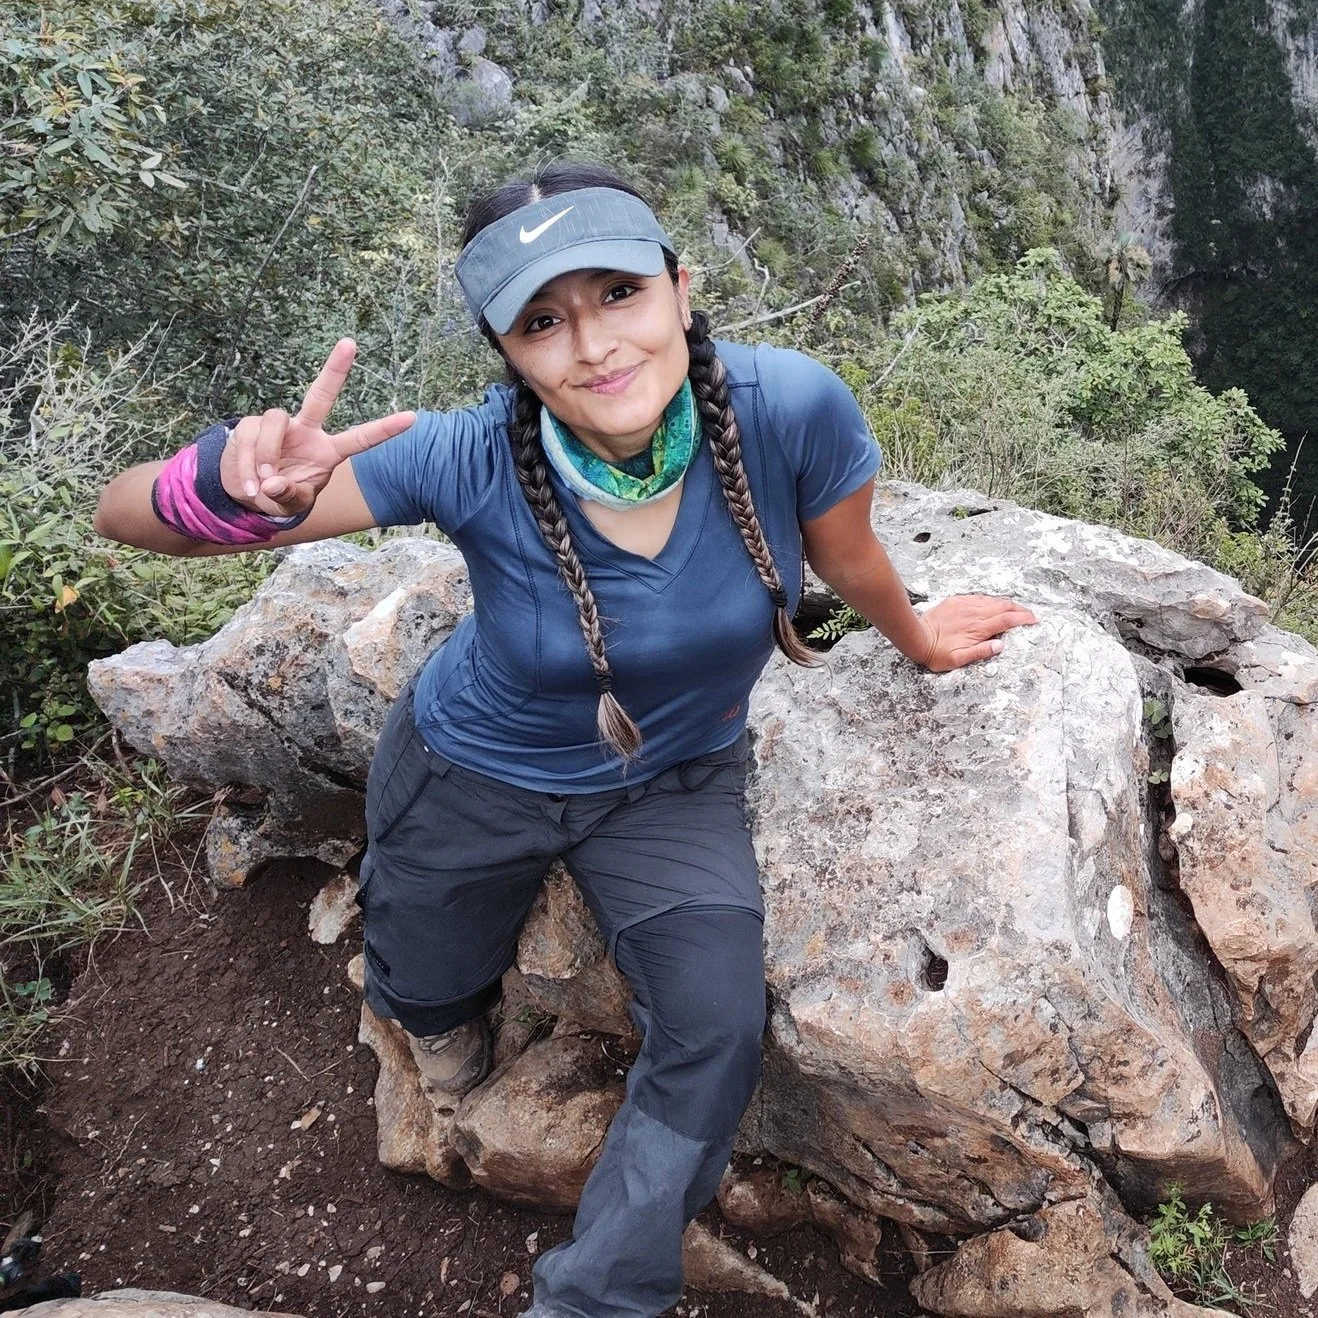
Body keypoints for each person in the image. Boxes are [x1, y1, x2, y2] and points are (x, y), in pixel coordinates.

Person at [95, 160, 1037, 1317]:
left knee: (714, 1028)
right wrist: (231, 484)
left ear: (679, 287)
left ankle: (594, 1298)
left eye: (618, 293)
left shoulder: (789, 407)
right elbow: (124, 513)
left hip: (674, 778)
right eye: (542, 320)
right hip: (472, 767)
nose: (592, 345)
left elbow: (843, 557)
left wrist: (920, 638)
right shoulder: (468, 453)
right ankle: (436, 1035)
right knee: (426, 977)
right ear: (507, 351)